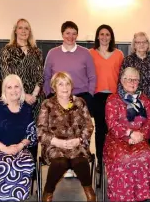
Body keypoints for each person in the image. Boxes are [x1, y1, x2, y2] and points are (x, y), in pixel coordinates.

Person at [43, 21, 96, 178]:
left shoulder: (85, 53)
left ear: (77, 35)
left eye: (74, 33)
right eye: (67, 33)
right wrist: (49, 94)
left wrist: (90, 94)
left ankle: (77, 161)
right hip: (58, 96)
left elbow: (92, 76)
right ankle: (63, 162)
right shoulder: (52, 53)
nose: (71, 36)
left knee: (79, 129)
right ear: (62, 34)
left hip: (80, 96)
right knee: (60, 128)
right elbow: (46, 76)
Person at [37, 72, 96, 202]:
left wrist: (79, 140)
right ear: (54, 87)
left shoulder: (80, 102)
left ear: (72, 86)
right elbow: (40, 131)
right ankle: (48, 192)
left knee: (79, 161)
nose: (65, 87)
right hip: (54, 145)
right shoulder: (47, 104)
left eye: (67, 84)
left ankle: (88, 190)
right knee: (60, 162)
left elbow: (89, 126)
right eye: (60, 84)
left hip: (77, 144)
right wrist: (57, 142)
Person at [0, 74, 37, 201]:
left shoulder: (26, 108)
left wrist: (20, 146)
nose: (13, 90)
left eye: (17, 87)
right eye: (9, 87)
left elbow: (31, 133)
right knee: (1, 164)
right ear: (4, 90)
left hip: (18, 149)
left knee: (24, 163)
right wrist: (5, 149)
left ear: (21, 89)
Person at [104, 67, 150, 201]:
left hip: (139, 138)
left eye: (135, 80)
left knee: (147, 155)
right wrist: (130, 134)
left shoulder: (145, 100)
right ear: (122, 80)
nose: (132, 82)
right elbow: (112, 123)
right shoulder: (113, 99)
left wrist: (140, 135)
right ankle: (122, 197)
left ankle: (141, 196)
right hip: (117, 139)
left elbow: (149, 122)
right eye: (128, 79)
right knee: (123, 158)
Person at [88, 24, 124, 172]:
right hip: (97, 96)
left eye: (107, 34)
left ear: (111, 37)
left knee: (114, 130)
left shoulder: (119, 54)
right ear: (97, 36)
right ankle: (100, 162)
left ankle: (113, 159)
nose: (104, 37)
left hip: (114, 97)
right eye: (101, 34)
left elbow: (122, 76)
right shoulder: (90, 53)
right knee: (100, 130)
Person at [0, 18, 45, 120]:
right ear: (15, 31)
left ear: (30, 32)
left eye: (26, 28)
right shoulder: (7, 51)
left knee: (35, 131)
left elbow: (41, 75)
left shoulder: (36, 51)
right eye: (20, 28)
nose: (23, 31)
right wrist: (24, 96)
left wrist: (33, 95)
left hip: (36, 98)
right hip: (15, 97)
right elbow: (7, 76)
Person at [118, 32, 150, 117]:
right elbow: (121, 82)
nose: (141, 44)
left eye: (144, 42)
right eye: (138, 42)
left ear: (148, 44)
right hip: (131, 103)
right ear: (134, 45)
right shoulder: (128, 60)